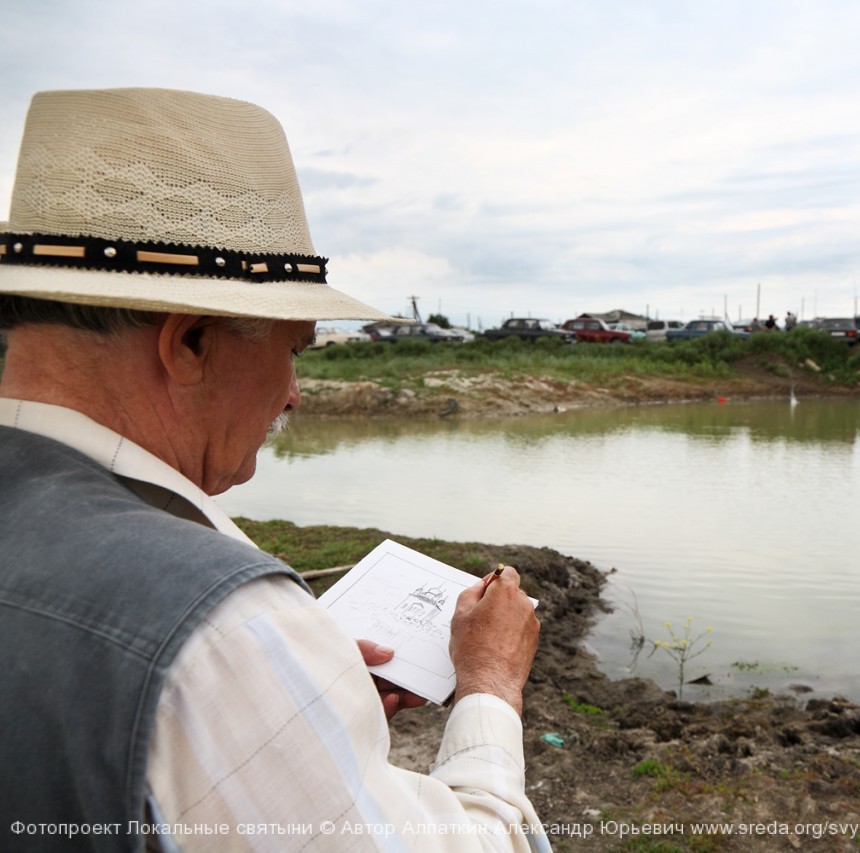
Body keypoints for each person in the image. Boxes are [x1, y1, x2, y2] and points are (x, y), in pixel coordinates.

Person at [0, 88, 546, 852]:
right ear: (189, 342)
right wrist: (490, 684)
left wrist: (300, 698)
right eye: (295, 348)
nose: (293, 391)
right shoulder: (228, 632)